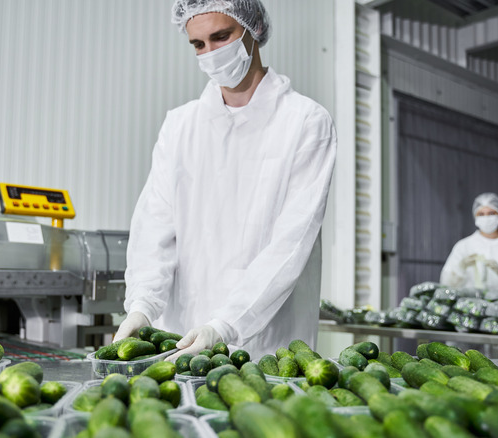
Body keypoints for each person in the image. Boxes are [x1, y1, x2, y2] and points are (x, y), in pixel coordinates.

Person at [113, 0, 337, 360]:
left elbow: (291, 243)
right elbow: (155, 228)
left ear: (255, 30)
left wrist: (226, 325)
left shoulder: (306, 122)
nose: (210, 53)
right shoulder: (181, 126)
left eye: (221, 37)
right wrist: (142, 304)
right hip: (181, 340)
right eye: (198, 45)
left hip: (268, 344)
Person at [440, 193, 498, 290]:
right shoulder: (463, 246)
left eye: (491, 213)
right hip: (470, 303)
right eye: (481, 214)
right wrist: (460, 269)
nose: (486, 218)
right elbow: (446, 284)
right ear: (475, 217)